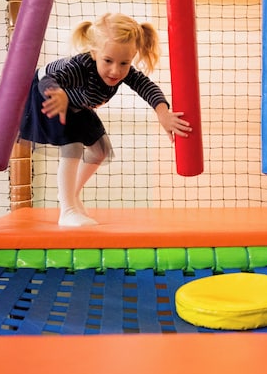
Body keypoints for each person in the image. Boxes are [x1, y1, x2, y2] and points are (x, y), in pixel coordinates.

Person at [19, 12, 190, 226]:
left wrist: (163, 112)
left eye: (124, 63)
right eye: (108, 61)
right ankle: (67, 209)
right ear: (94, 52)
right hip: (49, 96)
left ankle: (70, 196)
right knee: (72, 148)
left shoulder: (123, 70)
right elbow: (48, 79)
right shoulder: (79, 67)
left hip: (77, 104)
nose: (115, 70)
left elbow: (147, 87)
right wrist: (58, 93)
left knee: (100, 151)